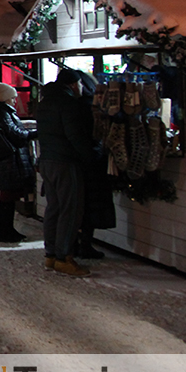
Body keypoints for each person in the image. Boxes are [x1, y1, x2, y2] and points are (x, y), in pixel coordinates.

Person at [35, 69, 96, 277]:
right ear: (73, 84)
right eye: (80, 84)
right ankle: (64, 257)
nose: (82, 88)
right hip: (65, 162)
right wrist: (89, 155)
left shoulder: (45, 103)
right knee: (70, 210)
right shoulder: (68, 104)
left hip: (47, 161)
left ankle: (50, 254)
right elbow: (74, 135)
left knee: (54, 208)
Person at [0, 82, 37, 241]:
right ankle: (5, 232)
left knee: (8, 197)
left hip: (6, 160)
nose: (15, 101)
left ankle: (8, 230)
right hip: (9, 161)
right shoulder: (3, 113)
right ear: (5, 98)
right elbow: (15, 134)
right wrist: (33, 133)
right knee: (8, 197)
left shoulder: (0, 112)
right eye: (12, 98)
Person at [73, 70, 114, 259]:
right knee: (90, 206)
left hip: (77, 163)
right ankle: (85, 244)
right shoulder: (91, 108)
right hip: (92, 163)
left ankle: (75, 243)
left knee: (77, 206)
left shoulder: (74, 106)